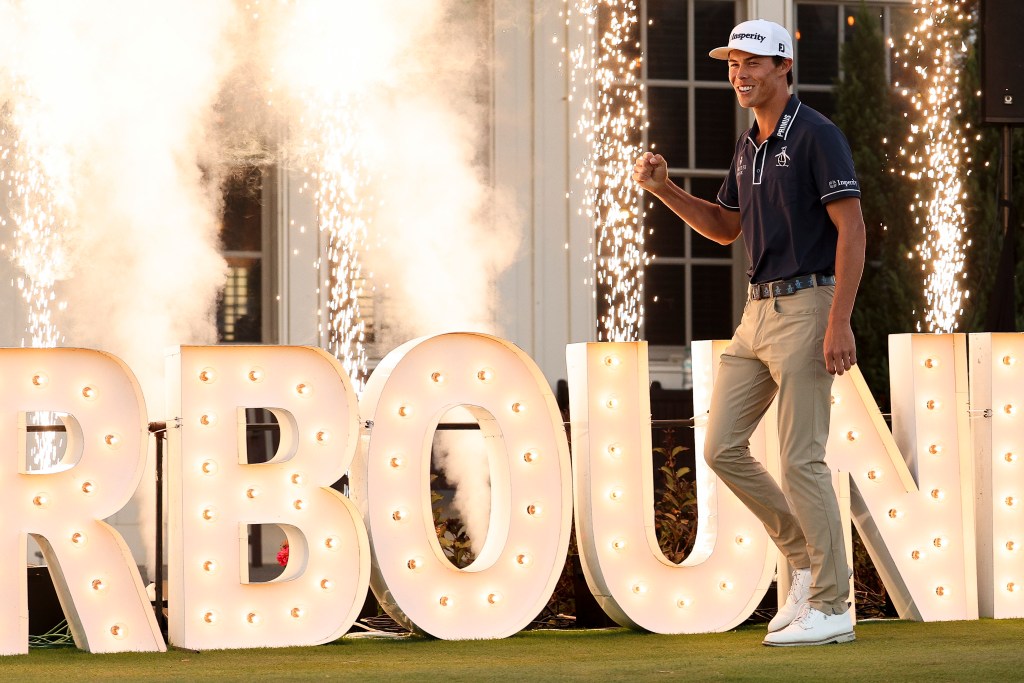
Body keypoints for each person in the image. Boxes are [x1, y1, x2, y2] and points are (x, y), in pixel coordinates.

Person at [632, 18, 865, 647]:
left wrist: (839, 318)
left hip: (811, 305)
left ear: (784, 66)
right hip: (757, 313)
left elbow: (853, 230)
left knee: (800, 459)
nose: (739, 73)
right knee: (721, 448)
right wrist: (665, 190)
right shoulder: (747, 144)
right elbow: (726, 226)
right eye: (732, 63)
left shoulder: (817, 135)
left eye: (752, 62)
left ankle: (833, 605)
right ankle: (808, 561)